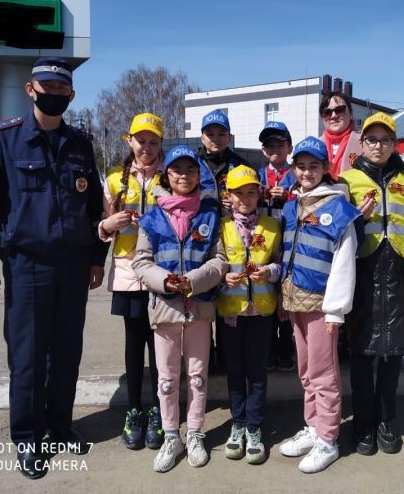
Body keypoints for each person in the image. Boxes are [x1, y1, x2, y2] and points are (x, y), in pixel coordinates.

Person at [0, 57, 107, 480]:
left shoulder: (81, 143)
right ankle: (27, 435)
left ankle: (59, 426)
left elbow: (94, 206)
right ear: (31, 89)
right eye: (47, 87)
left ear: (71, 95)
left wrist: (96, 259)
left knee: (66, 352)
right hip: (27, 265)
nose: (54, 94)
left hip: (74, 264)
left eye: (62, 90)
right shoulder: (4, 138)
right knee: (27, 355)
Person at [340, 112, 404, 456]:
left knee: (393, 355)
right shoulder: (346, 180)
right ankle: (363, 422)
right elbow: (335, 230)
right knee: (362, 356)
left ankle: (386, 421)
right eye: (372, 140)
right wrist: (355, 217)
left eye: (386, 140)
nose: (379, 146)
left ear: (395, 144)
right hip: (361, 276)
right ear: (361, 143)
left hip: (399, 278)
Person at [132, 145, 227, 473]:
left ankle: (196, 433)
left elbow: (220, 261)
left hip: (199, 309)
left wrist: (196, 280)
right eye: (176, 170)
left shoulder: (211, 215)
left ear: (198, 175)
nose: (183, 176)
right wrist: (165, 280)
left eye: (190, 170)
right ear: (167, 175)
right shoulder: (152, 217)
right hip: (165, 311)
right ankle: (172, 435)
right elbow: (141, 263)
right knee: (168, 380)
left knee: (198, 377)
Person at [278, 136, 362, 473]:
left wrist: (335, 309)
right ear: (294, 168)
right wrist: (284, 299)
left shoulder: (339, 208)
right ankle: (312, 427)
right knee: (305, 371)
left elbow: (345, 261)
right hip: (295, 300)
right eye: (301, 166)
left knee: (324, 374)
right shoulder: (292, 205)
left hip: (322, 305)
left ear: (326, 168)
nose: (307, 171)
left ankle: (328, 439)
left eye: (315, 166)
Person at [98, 112, 165, 451]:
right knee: (133, 342)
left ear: (160, 144)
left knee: (160, 345)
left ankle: (158, 410)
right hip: (126, 271)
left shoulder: (170, 177)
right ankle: (134, 409)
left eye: (153, 142)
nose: (147, 147)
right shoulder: (112, 180)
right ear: (130, 141)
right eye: (141, 141)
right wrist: (111, 223)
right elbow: (101, 227)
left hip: (160, 271)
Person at [216, 165, 282, 465]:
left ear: (260, 193)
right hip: (231, 312)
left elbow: (282, 263)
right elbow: (214, 265)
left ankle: (254, 427)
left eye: (251, 192)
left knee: (256, 373)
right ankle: (238, 423)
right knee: (235, 372)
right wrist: (222, 279)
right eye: (239, 193)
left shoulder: (272, 225)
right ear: (228, 195)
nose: (245, 198)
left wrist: (269, 272)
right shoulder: (221, 226)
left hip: (262, 312)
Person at [195, 109, 248, 373]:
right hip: (200, 237)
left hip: (232, 237)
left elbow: (252, 199)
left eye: (221, 133)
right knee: (204, 294)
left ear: (229, 136)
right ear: (202, 136)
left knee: (229, 293)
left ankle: (228, 356)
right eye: (210, 133)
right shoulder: (192, 162)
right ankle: (208, 353)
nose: (216, 138)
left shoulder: (240, 165)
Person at [257, 121, 296, 372]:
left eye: (279, 144)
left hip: (290, 241)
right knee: (268, 298)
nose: (274, 149)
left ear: (289, 147)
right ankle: (270, 352)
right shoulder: (258, 174)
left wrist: (288, 197)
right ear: (263, 150)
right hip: (264, 244)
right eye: (269, 145)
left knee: (288, 297)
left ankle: (286, 353)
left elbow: (306, 200)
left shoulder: (297, 173)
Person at [319, 91, 362, 180]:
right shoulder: (316, 145)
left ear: (350, 113)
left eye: (339, 110)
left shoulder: (364, 142)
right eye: (327, 112)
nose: (333, 116)